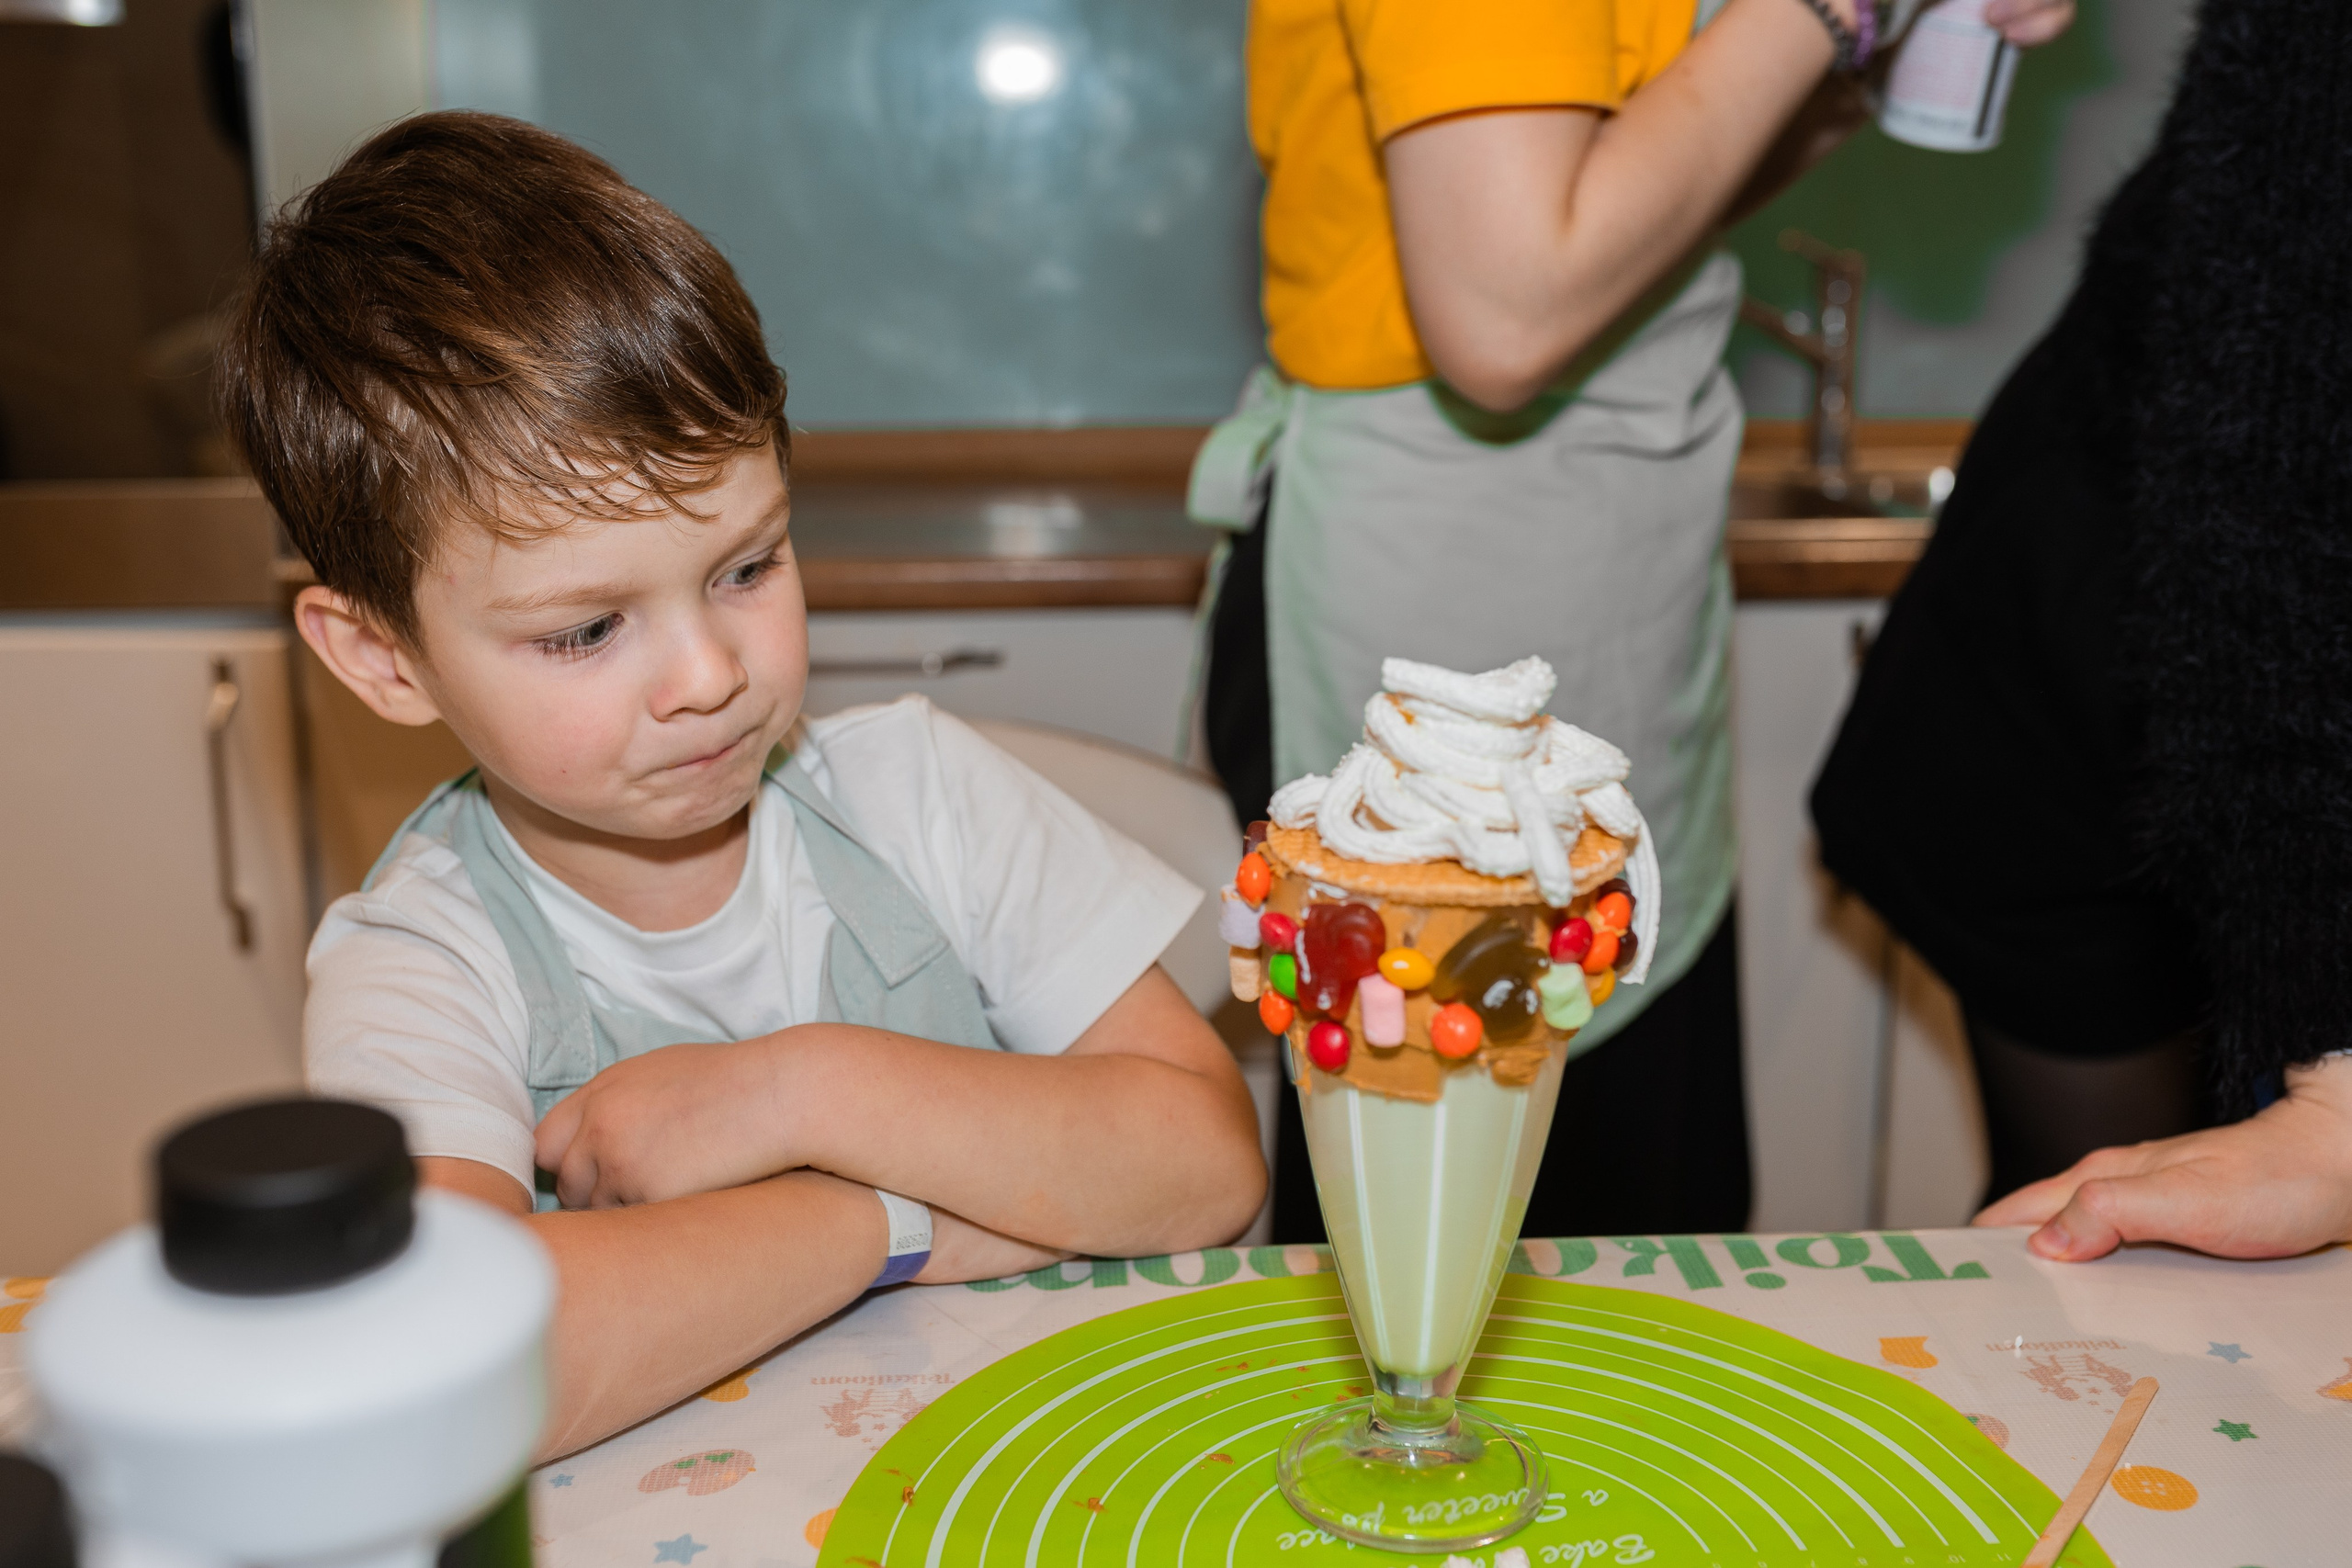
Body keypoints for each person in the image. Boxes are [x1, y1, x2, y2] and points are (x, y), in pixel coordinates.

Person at [219, 112, 1266, 1458]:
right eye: (587, 631)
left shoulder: (922, 795)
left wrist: (799, 1092)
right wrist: (889, 1222)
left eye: (747, 567)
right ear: (381, 657)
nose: (710, 674)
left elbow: (1207, 1160)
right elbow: (456, 1368)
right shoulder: (423, 955)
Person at [1195, 0, 2073, 1242]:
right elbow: (1503, 316)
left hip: (1605, 580)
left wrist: (1868, 45)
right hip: (1450, 593)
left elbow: (1641, 195)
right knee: (1449, 1240)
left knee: (1642, 1222)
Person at [1812, 0, 2352, 1260]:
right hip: (2097, 683)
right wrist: (2339, 1080)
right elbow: (2281, 439)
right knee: (2087, 1269)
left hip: (2217, 675)